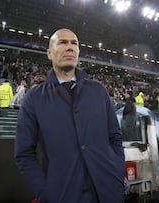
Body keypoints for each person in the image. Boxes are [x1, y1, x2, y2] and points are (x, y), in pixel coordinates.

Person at [15, 28, 125, 203]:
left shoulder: (98, 91)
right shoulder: (34, 98)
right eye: (62, 42)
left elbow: (115, 138)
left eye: (74, 43)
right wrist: (46, 193)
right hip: (64, 194)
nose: (70, 47)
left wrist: (117, 176)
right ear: (49, 53)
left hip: (108, 192)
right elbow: (24, 153)